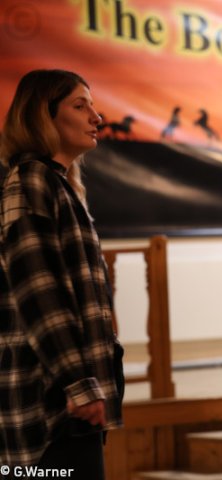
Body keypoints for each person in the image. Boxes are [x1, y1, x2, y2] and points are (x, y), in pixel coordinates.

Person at [0, 69, 124, 478]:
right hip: (48, 408)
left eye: (92, 105)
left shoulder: (56, 183)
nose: (96, 117)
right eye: (79, 105)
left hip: (66, 403)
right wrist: (79, 383)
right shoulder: (31, 179)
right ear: (44, 115)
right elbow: (37, 291)